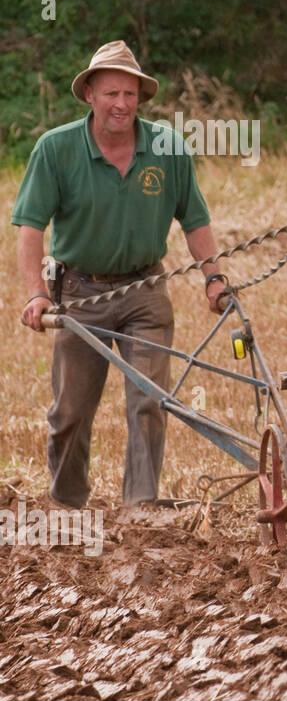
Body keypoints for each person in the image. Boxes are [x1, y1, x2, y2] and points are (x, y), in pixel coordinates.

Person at [12, 40, 228, 509]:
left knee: (150, 402)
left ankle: (140, 509)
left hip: (145, 290)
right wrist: (36, 293)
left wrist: (213, 277)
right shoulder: (56, 148)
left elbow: (194, 220)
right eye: (111, 94)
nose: (121, 105)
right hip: (80, 294)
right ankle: (67, 505)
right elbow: (30, 227)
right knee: (69, 412)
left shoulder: (167, 148)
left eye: (130, 95)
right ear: (90, 93)